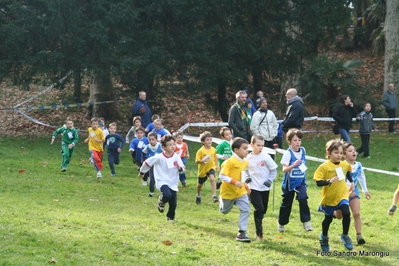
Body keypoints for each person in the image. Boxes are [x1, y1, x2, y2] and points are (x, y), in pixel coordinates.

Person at [313, 139, 355, 251]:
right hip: (329, 198)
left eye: (341, 153)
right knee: (328, 219)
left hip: (342, 194)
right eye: (336, 153)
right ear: (328, 153)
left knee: (346, 212)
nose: (339, 155)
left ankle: (345, 235)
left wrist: (351, 182)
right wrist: (329, 181)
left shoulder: (344, 164)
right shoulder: (324, 167)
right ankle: (324, 236)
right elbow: (318, 182)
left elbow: (347, 172)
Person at [139, 135, 186, 221]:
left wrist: (180, 168)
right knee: (167, 195)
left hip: (173, 182)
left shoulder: (176, 157)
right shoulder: (159, 157)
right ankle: (162, 200)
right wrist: (142, 172)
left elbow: (183, 169)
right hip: (162, 181)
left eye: (174, 144)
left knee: (173, 204)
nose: (173, 146)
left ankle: (170, 218)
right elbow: (147, 162)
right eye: (170, 145)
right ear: (163, 147)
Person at [334, 142, 371, 245]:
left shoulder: (359, 165)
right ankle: (334, 213)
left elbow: (361, 177)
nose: (353, 152)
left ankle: (359, 236)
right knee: (340, 215)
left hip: (354, 193)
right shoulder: (341, 166)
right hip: (342, 193)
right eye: (350, 151)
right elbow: (341, 180)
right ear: (344, 155)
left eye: (354, 150)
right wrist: (347, 191)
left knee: (356, 213)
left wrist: (365, 190)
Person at [278, 129, 312, 232]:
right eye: (295, 140)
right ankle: (281, 223)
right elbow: (284, 170)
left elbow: (303, 164)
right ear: (289, 141)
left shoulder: (303, 150)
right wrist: (293, 165)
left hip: (300, 181)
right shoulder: (287, 154)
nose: (297, 142)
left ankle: (306, 222)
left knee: (303, 199)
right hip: (289, 183)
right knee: (287, 203)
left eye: (299, 140)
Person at [219, 137, 251, 242]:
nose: (247, 151)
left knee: (246, 209)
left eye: (247, 148)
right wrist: (234, 182)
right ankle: (221, 202)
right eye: (245, 148)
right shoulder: (229, 162)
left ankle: (242, 233)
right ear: (236, 150)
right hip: (228, 193)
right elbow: (222, 176)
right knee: (224, 211)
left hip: (240, 192)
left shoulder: (245, 162)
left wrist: (246, 186)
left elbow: (244, 177)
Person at [247, 134, 278, 241]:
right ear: (251, 145)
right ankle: (259, 234)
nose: (260, 148)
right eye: (258, 145)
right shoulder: (248, 158)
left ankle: (259, 229)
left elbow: (274, 170)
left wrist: (270, 180)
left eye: (262, 146)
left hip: (265, 187)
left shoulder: (265, 156)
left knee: (263, 210)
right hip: (253, 188)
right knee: (259, 209)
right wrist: (247, 178)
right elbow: (244, 170)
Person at [195, 131, 219, 204]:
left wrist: (217, 165)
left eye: (210, 139)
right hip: (202, 170)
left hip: (211, 167)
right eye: (207, 140)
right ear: (203, 142)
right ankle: (198, 195)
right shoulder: (200, 151)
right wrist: (203, 160)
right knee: (200, 185)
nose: (209, 141)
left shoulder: (213, 149)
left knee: (212, 179)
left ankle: (214, 195)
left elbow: (215, 158)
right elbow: (197, 161)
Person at [142, 132, 163, 197]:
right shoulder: (147, 147)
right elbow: (143, 152)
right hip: (152, 165)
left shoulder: (160, 146)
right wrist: (143, 160)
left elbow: (165, 153)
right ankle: (151, 192)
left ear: (156, 139)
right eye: (149, 140)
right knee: (152, 178)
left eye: (153, 139)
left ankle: (163, 192)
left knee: (161, 178)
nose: (151, 141)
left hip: (160, 165)